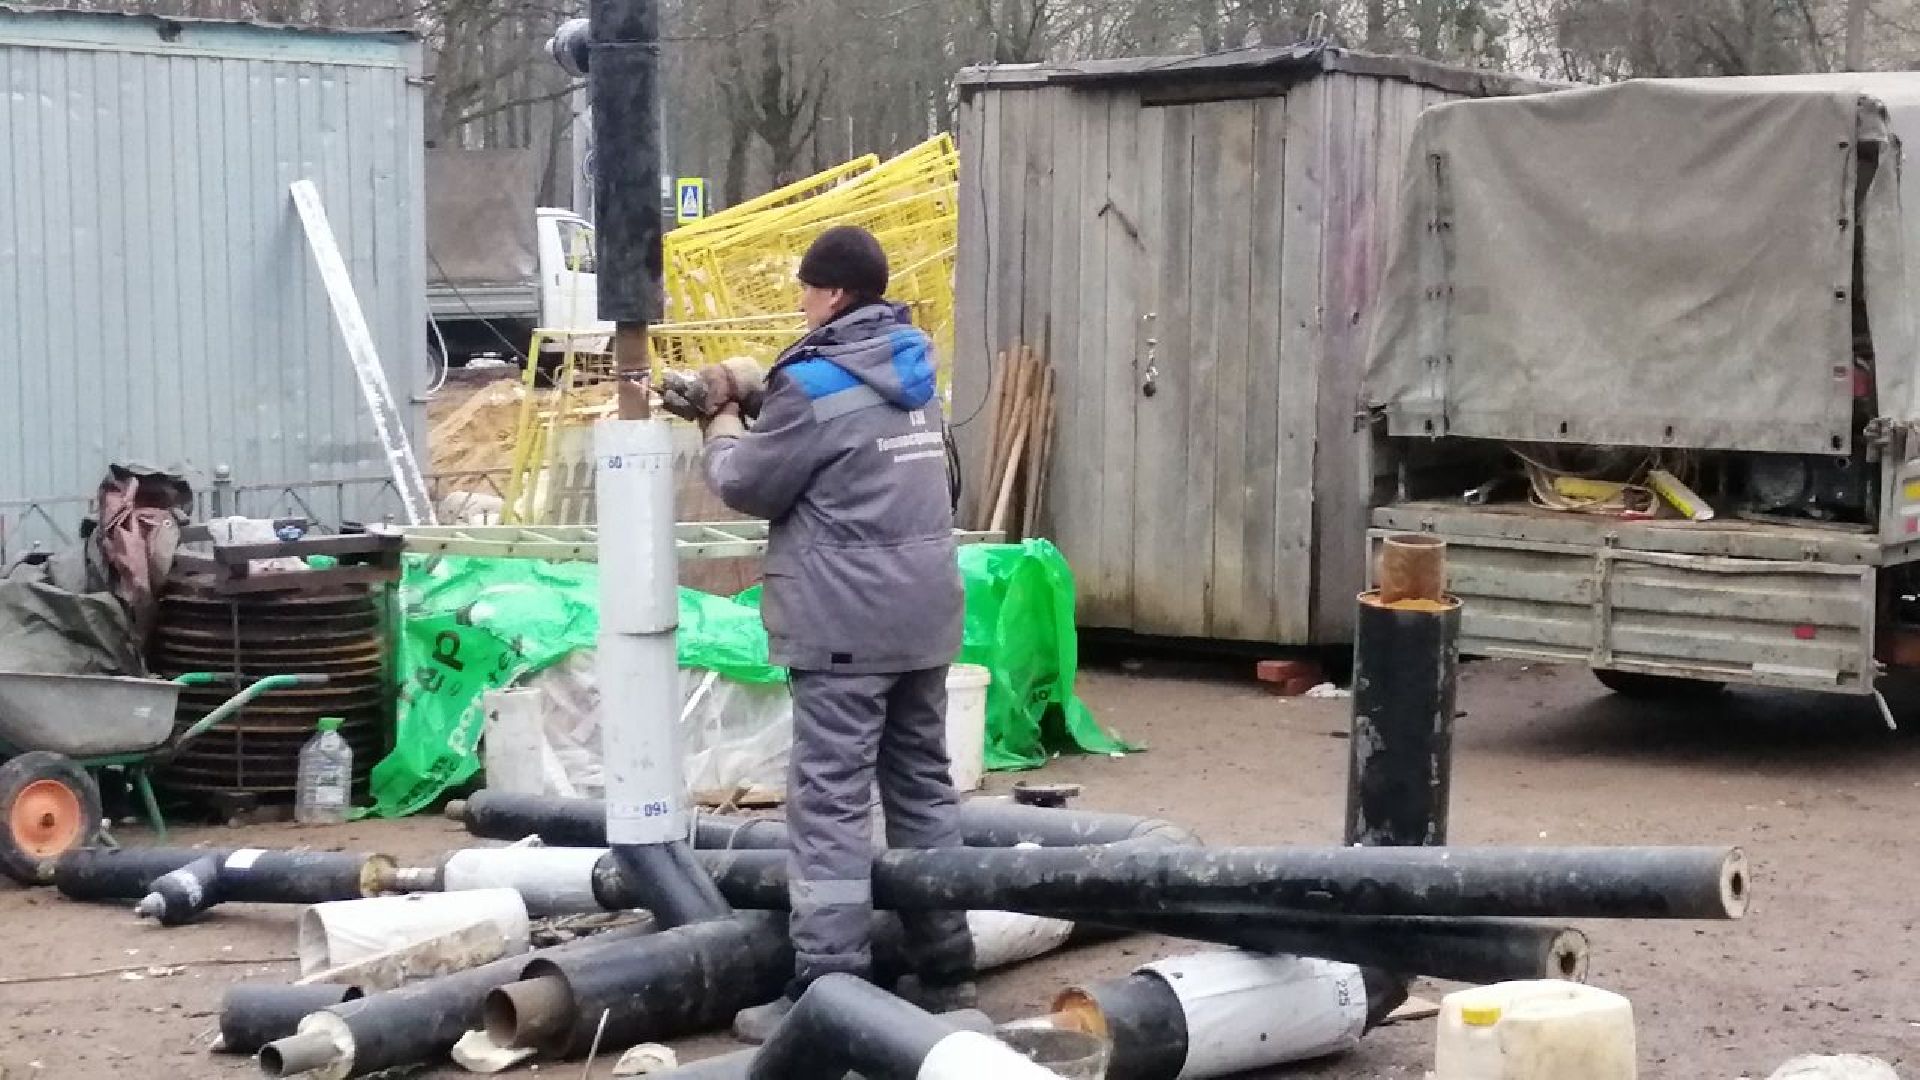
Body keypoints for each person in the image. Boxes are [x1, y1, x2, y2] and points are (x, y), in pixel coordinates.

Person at [698, 225, 975, 1040]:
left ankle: (826, 994)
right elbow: (852, 444)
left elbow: (748, 481)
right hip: (923, 613)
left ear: (835, 296)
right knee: (924, 789)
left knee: (828, 806)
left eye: (806, 290)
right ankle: (949, 973)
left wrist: (719, 421)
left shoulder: (812, 385)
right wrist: (767, 395)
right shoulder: (914, 370)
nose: (799, 302)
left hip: (844, 622)